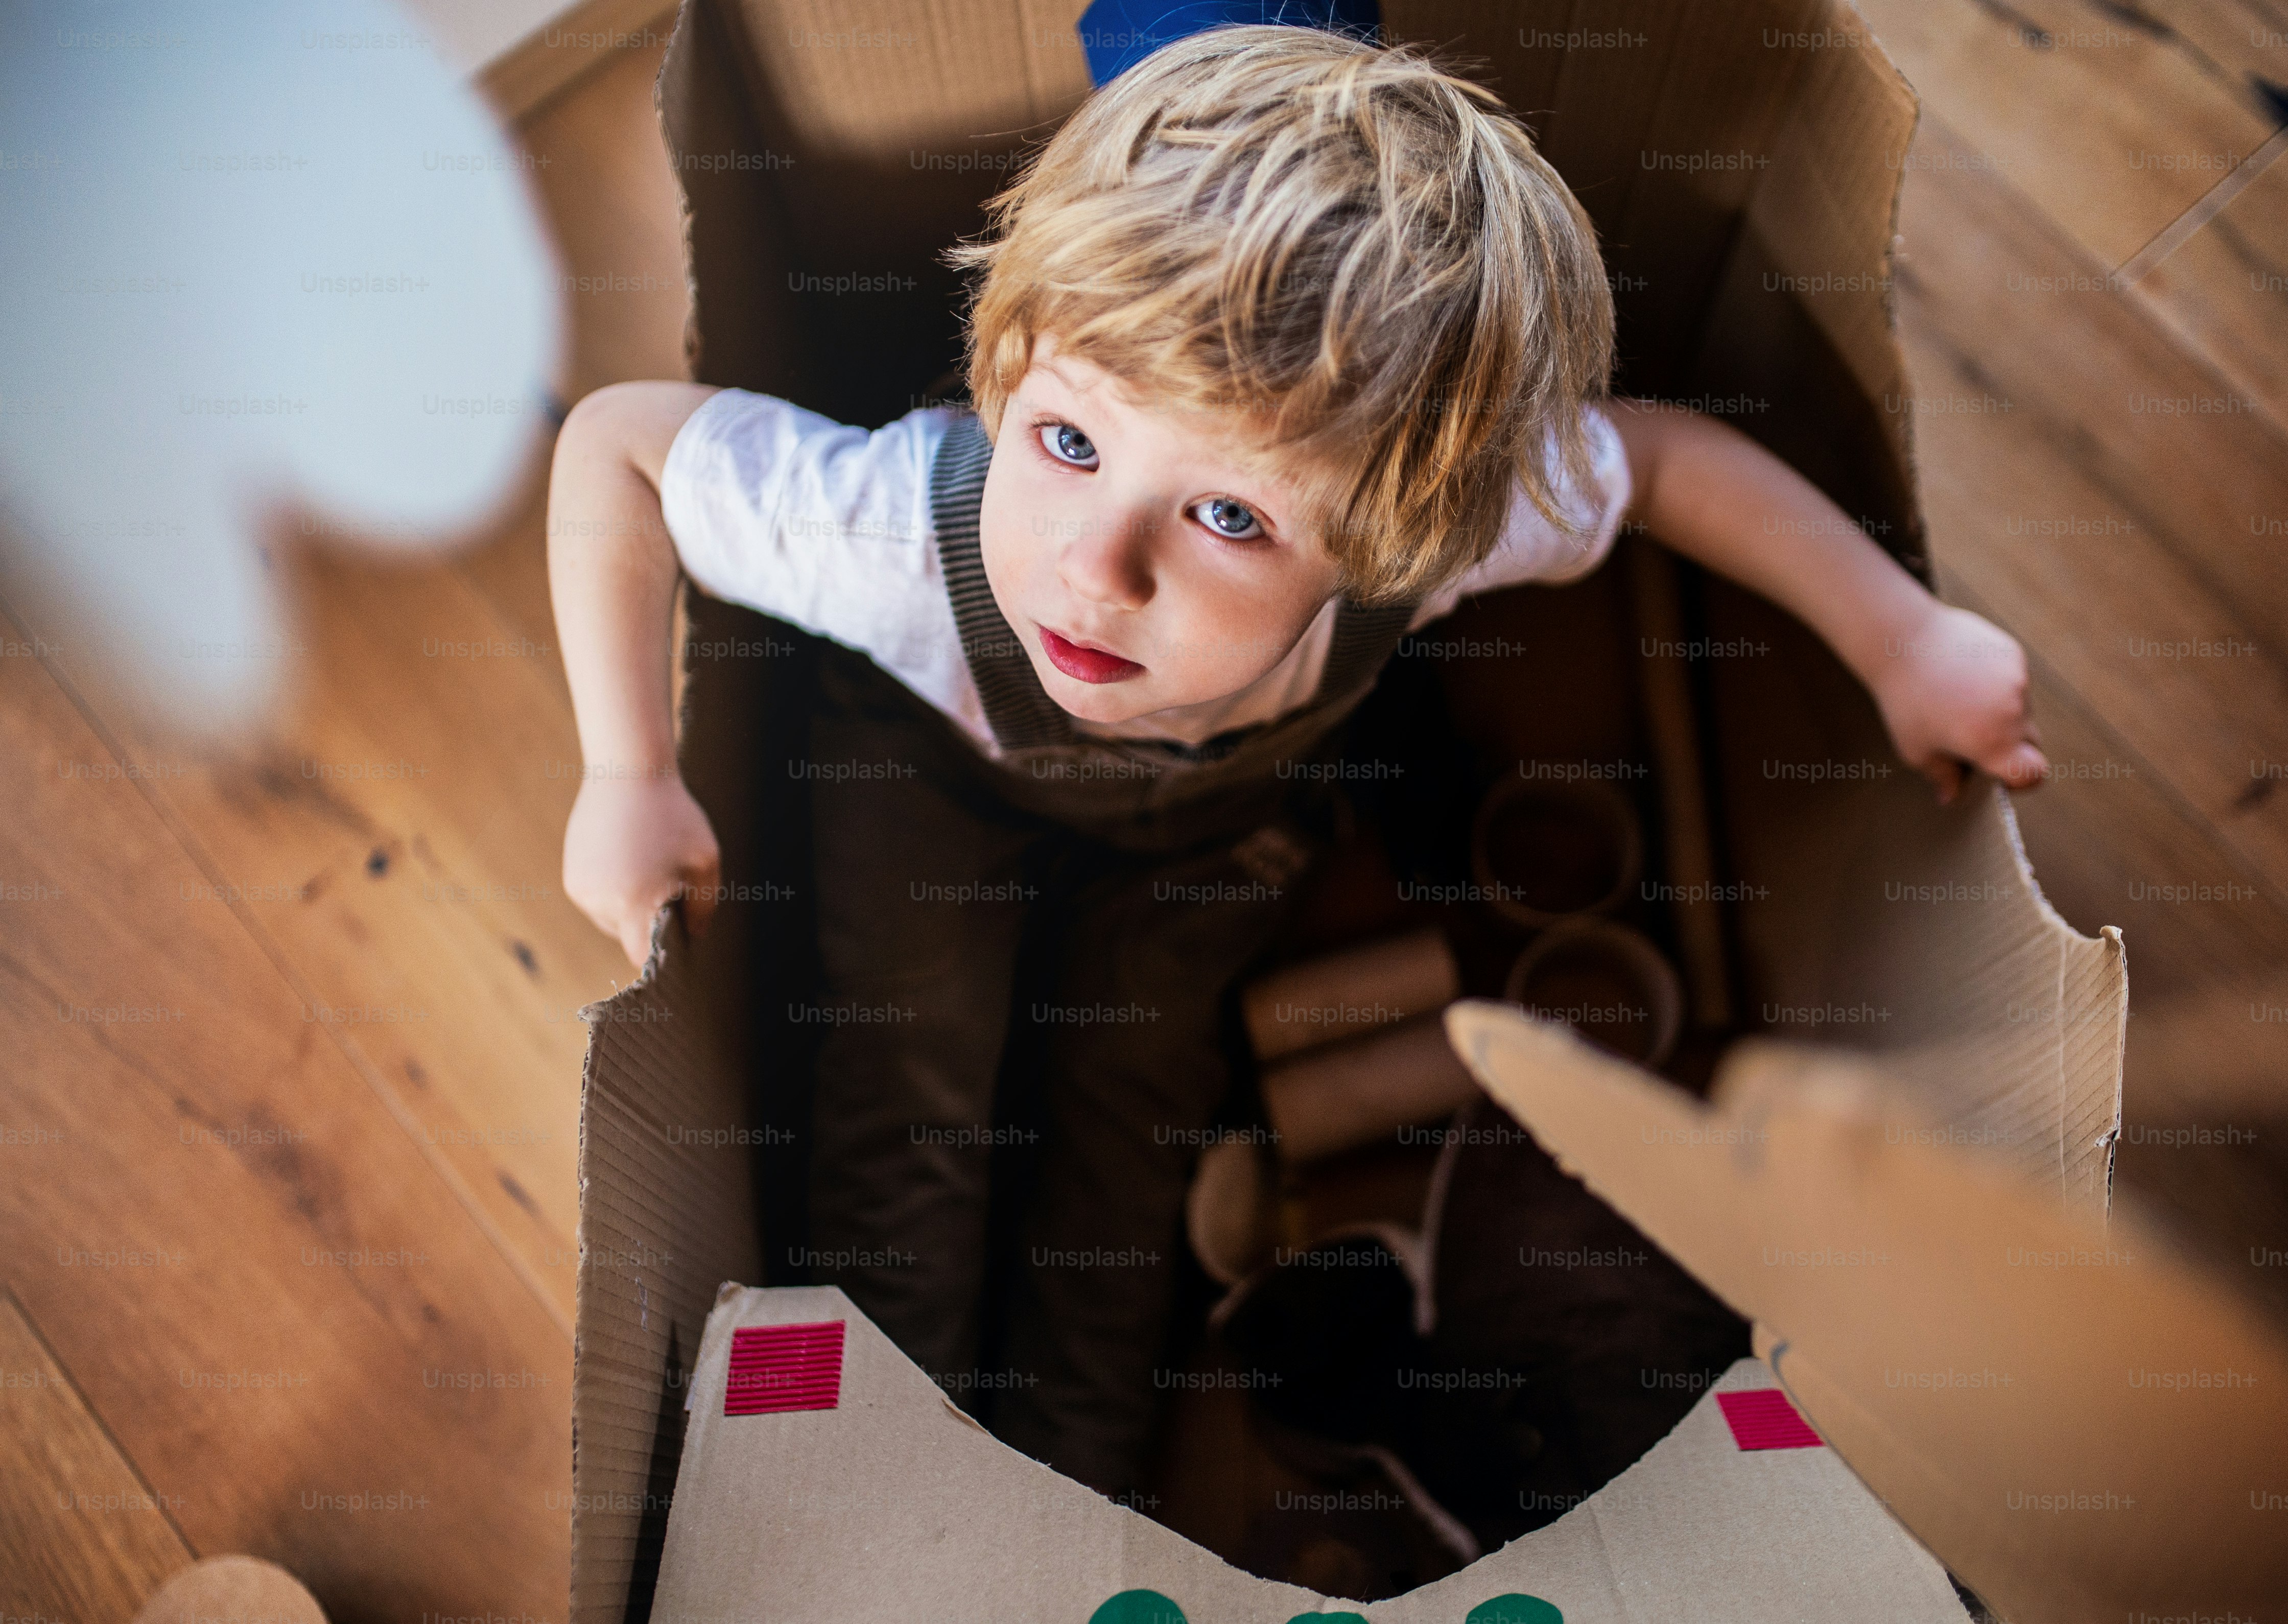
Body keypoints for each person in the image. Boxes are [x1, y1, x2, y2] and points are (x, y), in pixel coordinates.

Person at [544, 24, 2046, 1495]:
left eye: (1232, 519)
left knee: (1125, 1145)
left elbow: (1654, 459)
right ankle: (879, 1522)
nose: (1097, 568)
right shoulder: (879, 536)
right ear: (1009, 363)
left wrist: (1902, 638)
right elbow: (613, 443)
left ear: (1401, 542)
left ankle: (1058, 1536)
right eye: (1069, 441)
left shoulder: (1428, 525)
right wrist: (627, 771)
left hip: (1211, 839)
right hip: (933, 792)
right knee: (909, 1111)